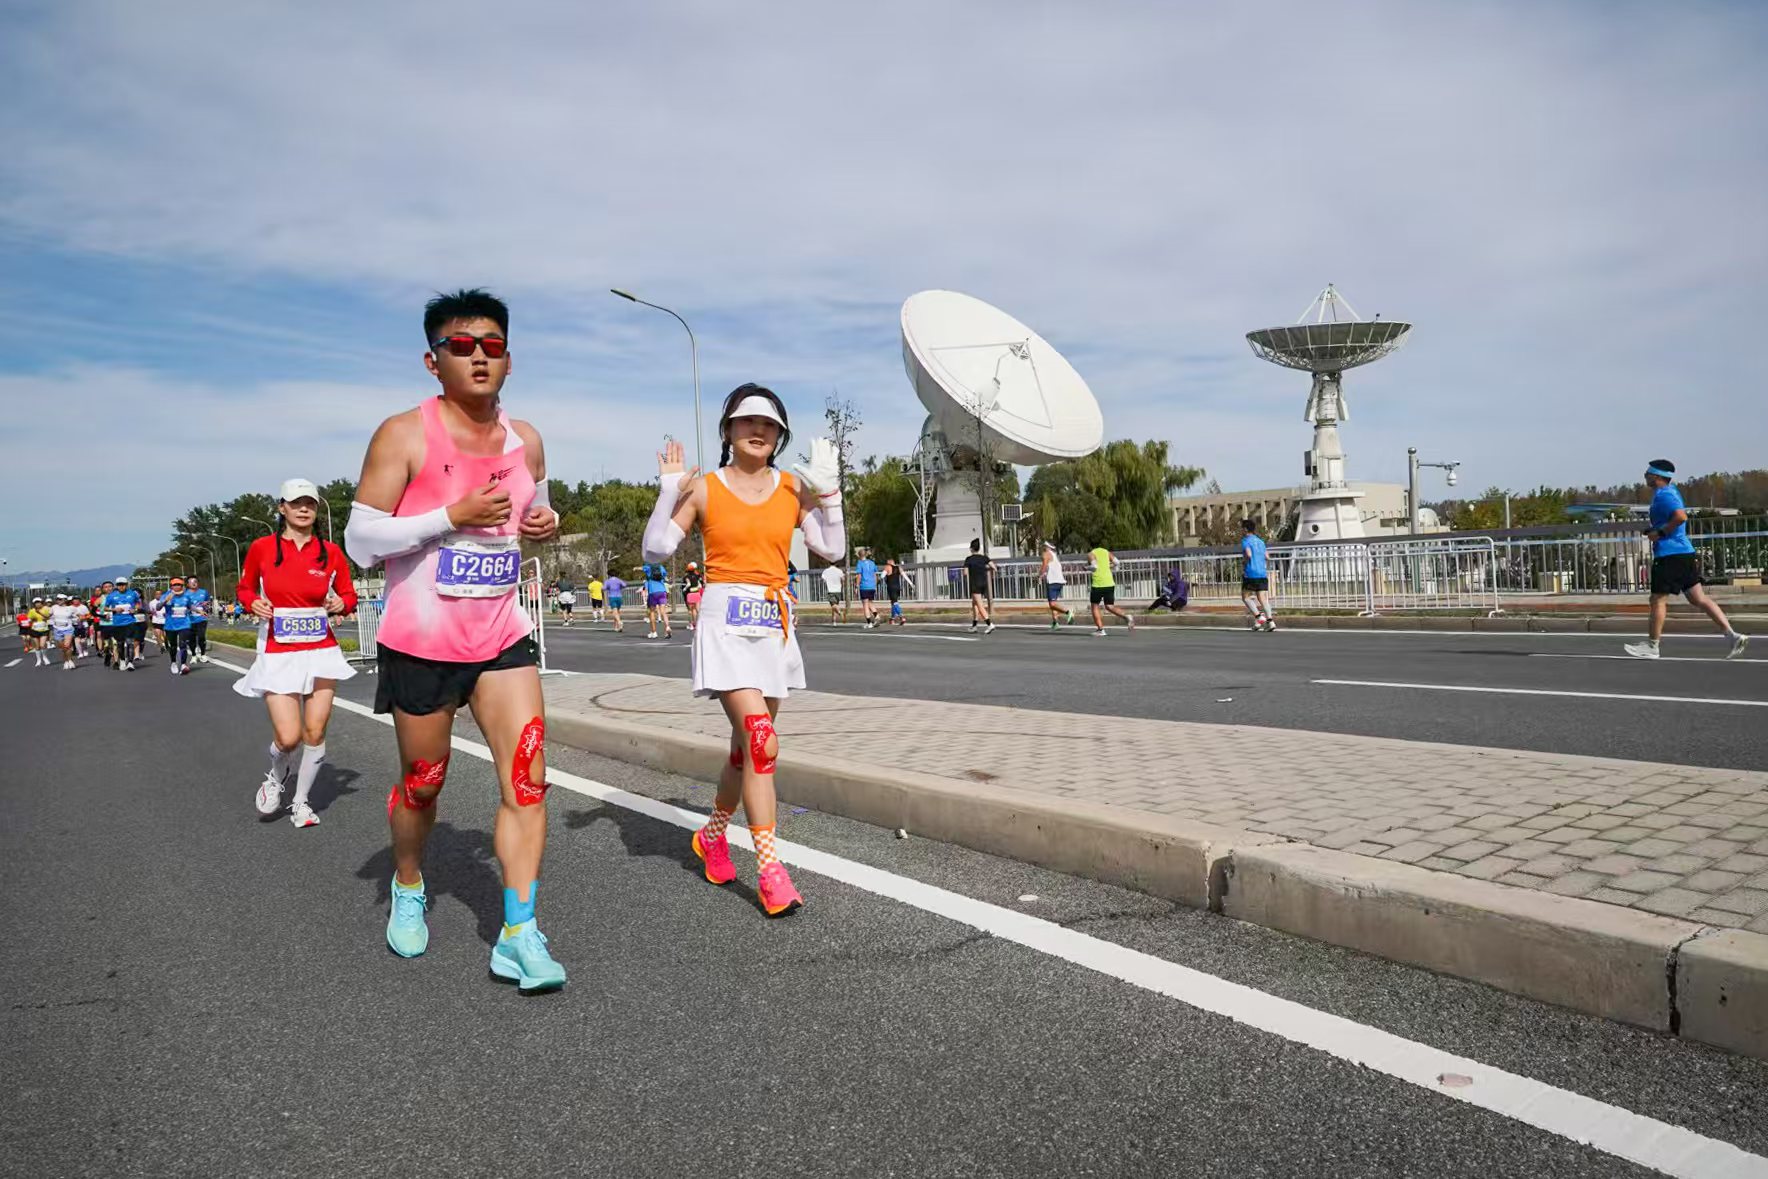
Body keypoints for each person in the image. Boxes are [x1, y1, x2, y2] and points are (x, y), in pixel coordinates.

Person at [343, 287, 567, 992]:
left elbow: (526, 524)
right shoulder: (403, 434)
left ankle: (519, 932)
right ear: (433, 359)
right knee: (423, 783)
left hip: (502, 635)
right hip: (422, 642)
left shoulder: (525, 440)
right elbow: (358, 541)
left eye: (491, 346)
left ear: (509, 358)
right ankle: (409, 882)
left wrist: (541, 526)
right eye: (461, 346)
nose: (478, 357)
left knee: (527, 781)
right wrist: (449, 515)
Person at [641, 383, 846, 917]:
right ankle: (770, 868)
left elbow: (833, 549)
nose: (759, 431)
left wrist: (831, 496)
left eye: (770, 425)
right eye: (747, 421)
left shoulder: (792, 488)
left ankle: (712, 835)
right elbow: (657, 549)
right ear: (729, 429)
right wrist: (668, 492)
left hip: (773, 623)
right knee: (761, 739)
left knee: (745, 749)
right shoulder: (705, 488)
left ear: (779, 435)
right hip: (724, 620)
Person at [237, 478, 359, 828]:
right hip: (279, 649)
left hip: (321, 651)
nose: (304, 508)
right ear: (282, 508)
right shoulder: (262, 547)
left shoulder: (330, 551)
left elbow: (349, 594)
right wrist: (253, 602)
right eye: (296, 503)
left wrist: (341, 602)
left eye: (310, 503)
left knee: (315, 732)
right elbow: (245, 588)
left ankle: (301, 803)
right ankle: (276, 776)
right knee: (289, 737)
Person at [1624, 459, 1748, 660]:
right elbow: (1673, 519)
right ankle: (1732, 636)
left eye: (1647, 473)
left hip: (1670, 555)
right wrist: (1655, 529)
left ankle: (1652, 646)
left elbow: (1681, 517)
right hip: (1683, 553)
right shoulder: (1666, 493)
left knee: (1657, 599)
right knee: (1698, 598)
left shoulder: (1665, 494)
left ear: (1656, 476)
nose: (1644, 476)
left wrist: (1662, 532)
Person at [1087, 543, 1135, 636]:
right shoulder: (1106, 552)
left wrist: (1086, 568)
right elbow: (1117, 562)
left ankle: (1100, 630)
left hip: (1098, 584)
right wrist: (1111, 568)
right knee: (1109, 606)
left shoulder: (1091, 554)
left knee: (1095, 606)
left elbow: (1094, 567)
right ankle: (1127, 616)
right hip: (1109, 583)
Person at [155, 576, 198, 675]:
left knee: (183, 644)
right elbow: (158, 608)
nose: (177, 586)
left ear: (182, 586)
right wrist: (165, 601)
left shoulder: (186, 596)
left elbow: (190, 606)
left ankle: (183, 664)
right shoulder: (166, 595)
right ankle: (173, 662)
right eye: (175, 585)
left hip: (184, 624)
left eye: (179, 585)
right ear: (171, 586)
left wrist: (199, 610)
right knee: (173, 646)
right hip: (171, 625)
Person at [1240, 519, 1274, 632]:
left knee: (1245, 596)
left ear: (1245, 529)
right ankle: (1270, 621)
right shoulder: (1261, 541)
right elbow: (1267, 557)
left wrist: (1244, 562)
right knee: (1263, 598)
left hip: (1251, 572)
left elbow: (1248, 554)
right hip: (1262, 573)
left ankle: (1259, 617)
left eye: (1242, 528)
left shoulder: (1246, 541)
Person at [107, 577, 144, 669]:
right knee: (120, 643)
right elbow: (104, 608)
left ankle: (130, 662)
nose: (121, 586)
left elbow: (138, 604)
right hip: (117, 623)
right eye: (119, 585)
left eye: (123, 584)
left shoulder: (132, 594)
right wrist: (114, 609)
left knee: (129, 642)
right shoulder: (112, 596)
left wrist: (135, 609)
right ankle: (123, 660)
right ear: (116, 586)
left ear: (126, 585)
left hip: (130, 622)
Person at [1039, 541, 1074, 630]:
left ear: (1046, 547)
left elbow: (1044, 565)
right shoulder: (1054, 555)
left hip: (1053, 581)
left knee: (1052, 604)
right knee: (1054, 603)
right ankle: (1055, 623)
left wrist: (1040, 574)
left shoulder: (1046, 554)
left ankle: (1068, 612)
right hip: (1059, 581)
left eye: (1043, 546)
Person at [963, 539, 995, 633]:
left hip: (975, 583)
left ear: (971, 549)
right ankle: (974, 625)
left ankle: (989, 624)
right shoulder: (983, 558)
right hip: (983, 583)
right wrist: (986, 569)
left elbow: (965, 573)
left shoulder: (969, 559)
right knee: (975, 603)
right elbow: (993, 567)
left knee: (979, 605)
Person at [642, 562, 673, 639]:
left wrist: (636, 568)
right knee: (663, 612)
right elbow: (665, 576)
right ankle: (667, 627)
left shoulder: (648, 567)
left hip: (653, 592)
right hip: (662, 591)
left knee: (652, 612)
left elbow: (643, 568)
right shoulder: (661, 567)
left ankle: (654, 632)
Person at [185, 575, 212, 662]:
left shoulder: (204, 592)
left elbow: (208, 602)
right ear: (188, 584)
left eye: (195, 582)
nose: (194, 583)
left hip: (202, 618)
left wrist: (207, 604)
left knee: (201, 636)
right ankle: (193, 655)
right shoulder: (185, 594)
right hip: (189, 619)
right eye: (191, 582)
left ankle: (203, 654)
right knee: (191, 638)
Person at [852, 548, 880, 628]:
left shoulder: (860, 563)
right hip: (872, 586)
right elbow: (875, 575)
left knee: (865, 604)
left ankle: (869, 623)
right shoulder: (872, 563)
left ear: (859, 556)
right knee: (870, 602)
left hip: (864, 585)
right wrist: (875, 585)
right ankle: (877, 616)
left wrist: (856, 586)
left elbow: (859, 575)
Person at [49, 594, 79, 669]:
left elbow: (78, 616)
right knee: (62, 648)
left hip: (68, 628)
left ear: (65, 600)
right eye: (57, 599)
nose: (58, 601)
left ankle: (70, 661)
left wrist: (77, 620)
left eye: (60, 599)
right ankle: (66, 660)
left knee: (67, 645)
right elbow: (48, 615)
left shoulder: (71, 608)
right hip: (57, 629)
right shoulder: (54, 607)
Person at [883, 556, 911, 626]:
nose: (887, 564)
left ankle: (901, 617)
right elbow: (905, 576)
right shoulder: (899, 568)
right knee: (893, 602)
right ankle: (892, 619)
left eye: (887, 562)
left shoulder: (888, 567)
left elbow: (882, 576)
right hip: (898, 587)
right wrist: (911, 583)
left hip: (891, 587)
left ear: (890, 561)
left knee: (894, 602)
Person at [683, 560, 705, 630]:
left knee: (691, 610)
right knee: (697, 609)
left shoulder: (686, 576)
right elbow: (700, 585)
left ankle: (691, 625)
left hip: (690, 594)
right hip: (697, 593)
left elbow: (688, 584)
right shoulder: (697, 576)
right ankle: (700, 624)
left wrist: (685, 589)